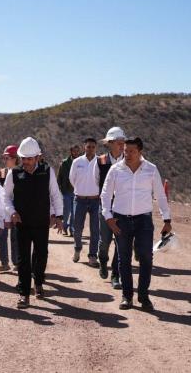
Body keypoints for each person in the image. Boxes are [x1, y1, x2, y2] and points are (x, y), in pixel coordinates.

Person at [101, 137, 171, 311]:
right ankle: (127, 296)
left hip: (143, 220)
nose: (127, 154)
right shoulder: (115, 169)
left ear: (140, 152)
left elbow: (160, 196)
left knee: (146, 258)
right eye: (125, 150)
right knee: (123, 259)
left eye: (131, 151)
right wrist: (108, 217)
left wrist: (167, 219)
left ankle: (143, 295)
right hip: (120, 220)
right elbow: (105, 194)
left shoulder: (151, 169)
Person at [3, 137, 63, 309]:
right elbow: (5, 197)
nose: (27, 162)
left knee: (41, 255)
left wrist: (59, 216)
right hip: (22, 222)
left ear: (38, 157)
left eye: (30, 158)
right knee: (23, 260)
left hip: (42, 221)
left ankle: (38, 282)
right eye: (24, 159)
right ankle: (23, 293)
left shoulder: (47, 171)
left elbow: (55, 194)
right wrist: (12, 212)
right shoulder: (13, 173)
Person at [96, 126, 126, 289]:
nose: (122, 145)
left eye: (123, 142)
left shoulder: (128, 160)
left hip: (122, 207)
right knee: (105, 241)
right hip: (105, 207)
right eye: (119, 142)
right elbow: (96, 182)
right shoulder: (100, 161)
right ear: (110, 143)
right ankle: (103, 261)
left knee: (120, 242)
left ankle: (116, 275)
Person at [69, 138, 101, 267]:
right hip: (80, 200)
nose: (90, 149)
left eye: (93, 147)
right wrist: (80, 189)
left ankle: (92, 256)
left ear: (96, 148)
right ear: (84, 147)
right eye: (88, 146)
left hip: (95, 200)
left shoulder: (100, 161)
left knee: (95, 230)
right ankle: (77, 248)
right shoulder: (77, 162)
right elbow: (72, 178)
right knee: (77, 228)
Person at [0, 144, 20, 271]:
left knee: (16, 237)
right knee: (2, 236)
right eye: (4, 158)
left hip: (16, 210)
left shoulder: (21, 173)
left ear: (15, 158)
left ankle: (16, 262)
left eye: (7, 158)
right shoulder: (0, 173)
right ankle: (4, 262)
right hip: (2, 210)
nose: (5, 161)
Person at [57, 145, 81, 236]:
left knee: (74, 212)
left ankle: (72, 229)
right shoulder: (64, 163)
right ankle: (64, 226)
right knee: (66, 211)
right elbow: (59, 177)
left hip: (77, 192)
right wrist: (59, 189)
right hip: (66, 191)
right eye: (74, 151)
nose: (76, 153)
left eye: (77, 151)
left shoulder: (80, 163)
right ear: (71, 151)